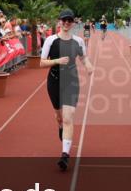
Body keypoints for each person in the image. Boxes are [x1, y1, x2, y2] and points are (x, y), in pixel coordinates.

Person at [40, 9, 94, 171]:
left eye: (69, 20)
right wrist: (57, 61)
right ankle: (60, 126)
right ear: (59, 21)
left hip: (71, 81)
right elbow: (42, 62)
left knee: (69, 117)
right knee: (59, 117)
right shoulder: (51, 40)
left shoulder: (78, 41)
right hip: (54, 81)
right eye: (64, 20)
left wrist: (88, 65)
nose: (66, 23)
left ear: (73, 23)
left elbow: (83, 57)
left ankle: (65, 155)